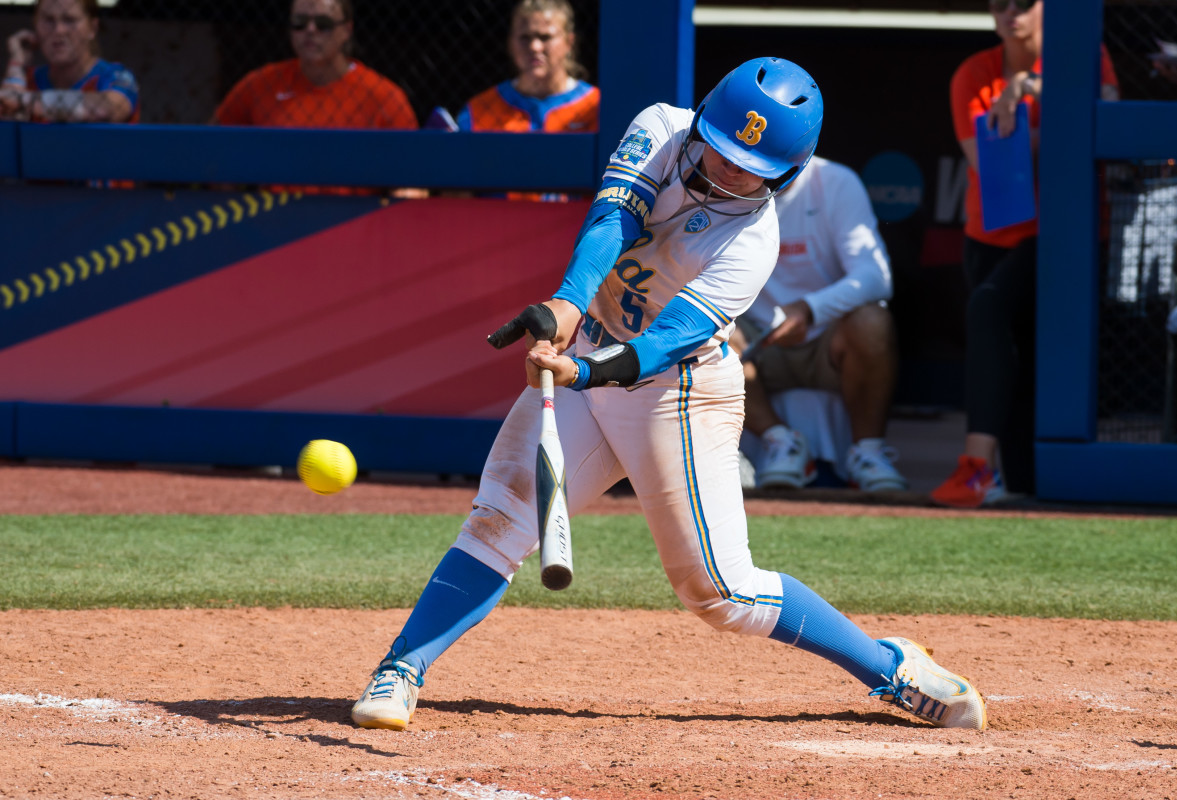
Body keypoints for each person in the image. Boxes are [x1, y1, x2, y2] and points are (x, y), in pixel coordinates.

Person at [349, 57, 987, 733]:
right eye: (718, 146)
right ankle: (401, 669)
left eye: (748, 166)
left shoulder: (753, 241)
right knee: (502, 517)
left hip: (676, 394)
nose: (722, 169)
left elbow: (666, 342)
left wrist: (584, 372)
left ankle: (891, 669)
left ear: (785, 176)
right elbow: (613, 222)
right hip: (593, 343)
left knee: (719, 593)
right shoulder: (661, 127)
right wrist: (568, 307)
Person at [932, 0, 1119, 508]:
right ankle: (1011, 487)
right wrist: (1061, 122)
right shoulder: (975, 72)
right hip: (989, 238)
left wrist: (1035, 93)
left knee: (1004, 323)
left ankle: (978, 468)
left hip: (1065, 238)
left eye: (1022, 3)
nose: (1009, 13)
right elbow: (987, 156)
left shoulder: (1083, 55)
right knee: (1004, 357)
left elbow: (1108, 115)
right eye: (998, 4)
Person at [732, 155, 906, 492]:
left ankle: (867, 454)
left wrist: (810, 311)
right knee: (706, 332)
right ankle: (779, 441)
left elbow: (876, 276)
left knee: (873, 321)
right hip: (756, 345)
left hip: (828, 343)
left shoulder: (836, 181)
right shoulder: (726, 185)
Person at [213, 0, 417, 132]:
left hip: (353, 201)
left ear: (346, 30)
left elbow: (413, 178)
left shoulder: (385, 97)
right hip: (276, 200)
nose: (310, 31)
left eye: (323, 24)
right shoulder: (260, 84)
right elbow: (213, 144)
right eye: (300, 22)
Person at [455, 0, 599, 135]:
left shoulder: (596, 106)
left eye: (545, 37)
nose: (534, 47)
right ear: (510, 43)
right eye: (525, 37)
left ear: (569, 42)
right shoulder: (478, 111)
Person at [0, 0, 138, 124]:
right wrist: (16, 64)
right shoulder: (26, 79)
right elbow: (6, 122)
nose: (58, 30)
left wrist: (25, 100)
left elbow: (108, 109)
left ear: (92, 28)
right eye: (48, 19)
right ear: (35, 25)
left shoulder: (115, 75)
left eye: (69, 20)